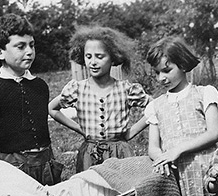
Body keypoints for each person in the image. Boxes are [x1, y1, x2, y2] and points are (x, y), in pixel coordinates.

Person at [145, 36, 218, 196]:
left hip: (206, 171)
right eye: (157, 72)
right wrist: (163, 158)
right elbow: (153, 147)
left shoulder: (203, 93)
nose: (161, 78)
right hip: (176, 178)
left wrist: (178, 150)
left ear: (183, 65)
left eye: (167, 70)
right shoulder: (156, 106)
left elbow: (213, 132)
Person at [49, 25, 151, 173]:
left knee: (119, 191)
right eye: (88, 56)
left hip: (119, 154)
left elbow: (156, 107)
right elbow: (52, 109)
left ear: (113, 58)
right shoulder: (78, 88)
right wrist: (78, 128)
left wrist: (132, 131)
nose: (93, 62)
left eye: (100, 56)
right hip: (90, 154)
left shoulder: (126, 89)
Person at [0, 13, 61, 185]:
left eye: (32, 45)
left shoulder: (40, 86)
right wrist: (8, 162)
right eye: (20, 47)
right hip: (13, 168)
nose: (29, 51)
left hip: (45, 162)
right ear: (0, 52)